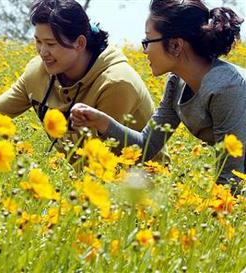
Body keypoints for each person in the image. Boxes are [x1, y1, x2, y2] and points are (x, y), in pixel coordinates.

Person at [0, 0, 155, 156]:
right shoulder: (38, 72)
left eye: (51, 43)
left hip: (137, 190)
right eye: (38, 41)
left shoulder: (116, 83)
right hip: (88, 191)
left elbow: (101, 156)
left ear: (80, 43)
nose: (43, 52)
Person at [70, 0, 246, 191]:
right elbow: (146, 146)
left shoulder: (225, 87)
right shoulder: (176, 83)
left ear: (176, 46)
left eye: (147, 41)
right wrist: (102, 122)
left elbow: (231, 178)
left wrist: (215, 214)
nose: (144, 50)